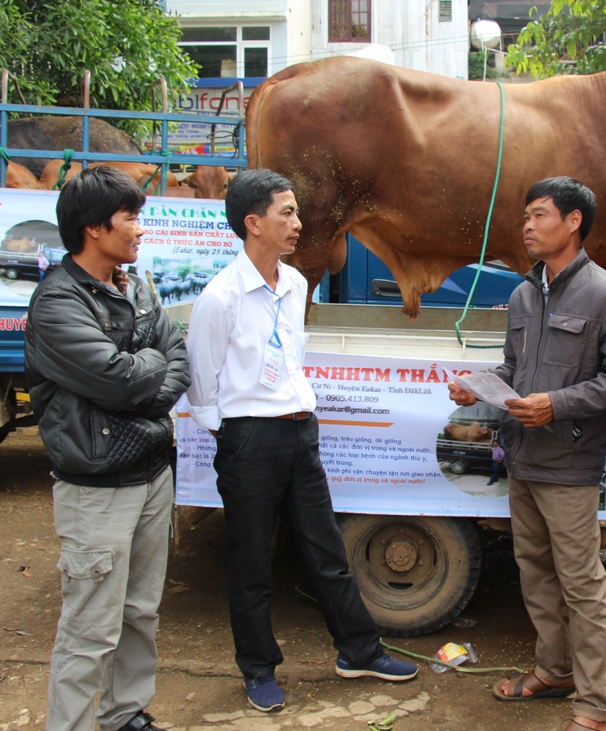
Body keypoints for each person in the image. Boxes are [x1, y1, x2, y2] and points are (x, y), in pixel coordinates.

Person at [185, 169, 418, 714]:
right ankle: (259, 669)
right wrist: (240, 435)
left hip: (299, 431)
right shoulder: (219, 297)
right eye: (285, 213)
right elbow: (202, 388)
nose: (297, 223)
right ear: (252, 223)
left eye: (295, 211)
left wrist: (291, 419)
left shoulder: (293, 285)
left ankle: (358, 651)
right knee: (251, 563)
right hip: (249, 440)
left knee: (326, 550)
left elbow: (289, 359)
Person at [449, 177, 606, 731]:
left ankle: (595, 705)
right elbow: (516, 369)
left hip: (571, 464)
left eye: (539, 216)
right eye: (526, 217)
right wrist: (481, 385)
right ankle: (553, 671)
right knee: (534, 573)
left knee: (581, 584)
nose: (528, 227)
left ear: (574, 221)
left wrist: (557, 405)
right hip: (524, 457)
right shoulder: (523, 293)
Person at [25, 166, 191, 731]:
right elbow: (122, 379)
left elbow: (178, 358)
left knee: (140, 613)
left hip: (149, 473)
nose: (141, 229)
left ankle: (125, 715)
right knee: (90, 626)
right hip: (96, 487)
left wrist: (144, 383)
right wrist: (145, 376)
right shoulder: (56, 303)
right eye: (131, 217)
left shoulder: (136, 286)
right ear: (95, 229)